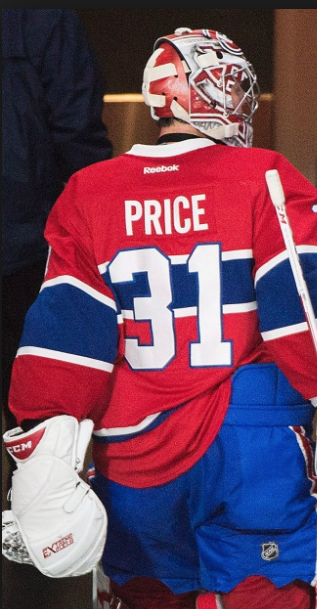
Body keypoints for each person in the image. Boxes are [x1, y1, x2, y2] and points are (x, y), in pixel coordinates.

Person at [0, 28, 317, 609]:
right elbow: (307, 314)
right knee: (268, 596)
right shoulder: (266, 176)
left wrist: (40, 459)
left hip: (133, 458)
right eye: (228, 82)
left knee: (147, 595)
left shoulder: (88, 192)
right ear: (192, 92)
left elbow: (65, 344)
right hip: (250, 444)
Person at [2, 9, 113, 446]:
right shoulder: (43, 18)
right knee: (41, 424)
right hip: (29, 248)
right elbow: (77, 128)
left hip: (27, 244)